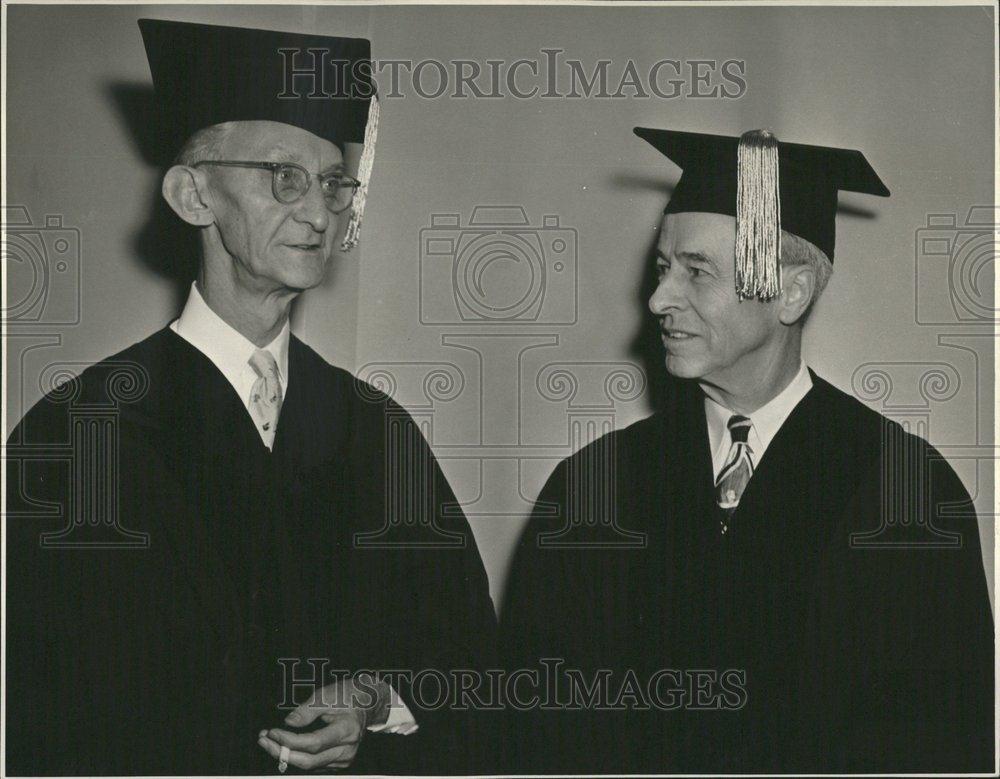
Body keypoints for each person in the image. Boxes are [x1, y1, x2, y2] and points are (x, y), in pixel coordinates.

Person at [5, 19, 496, 775]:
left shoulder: (377, 433)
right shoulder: (78, 436)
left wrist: (373, 697)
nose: (318, 212)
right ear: (192, 193)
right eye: (281, 176)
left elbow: (470, 663)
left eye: (333, 183)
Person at [501, 127, 994, 773]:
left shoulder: (905, 490)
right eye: (661, 268)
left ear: (790, 292)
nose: (657, 300)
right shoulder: (593, 485)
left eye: (695, 272)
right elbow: (531, 719)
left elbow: (945, 732)